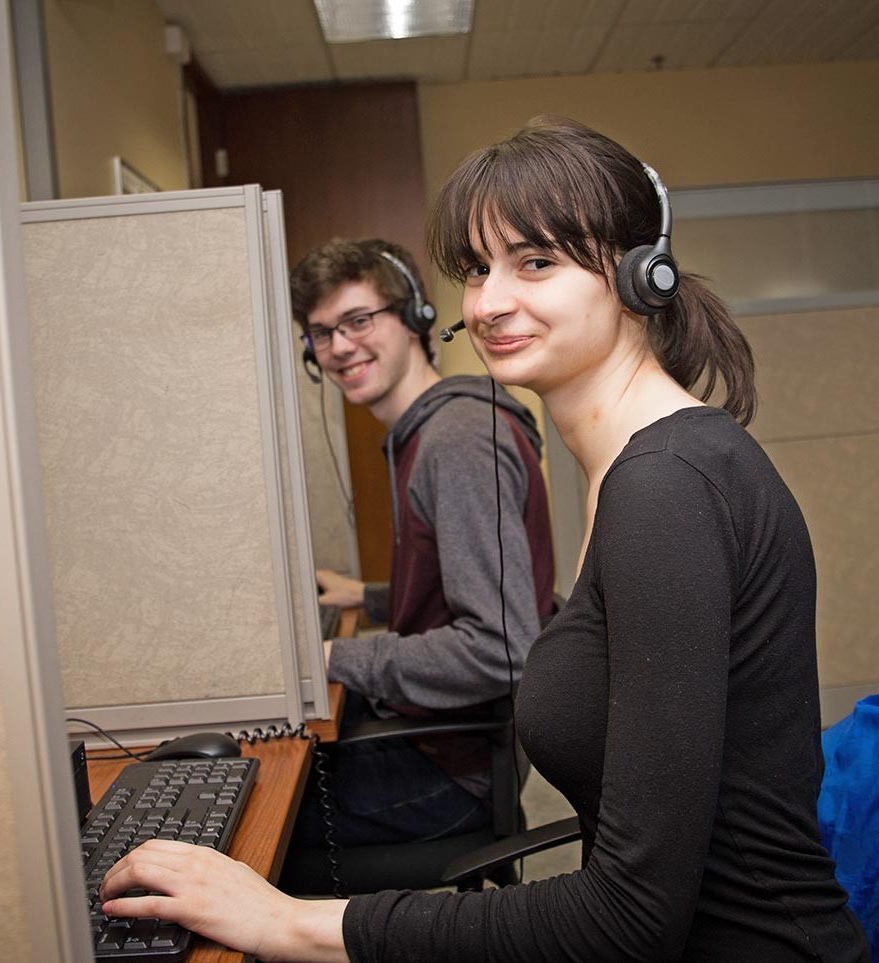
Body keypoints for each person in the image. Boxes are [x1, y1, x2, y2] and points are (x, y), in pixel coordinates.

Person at [100, 118, 869, 961]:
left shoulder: (666, 486)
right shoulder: (636, 472)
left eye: (534, 262)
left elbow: (630, 918)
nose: (488, 302)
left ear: (636, 274)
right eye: (475, 268)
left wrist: (288, 920)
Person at [286, 237, 555, 852]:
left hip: (450, 773)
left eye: (358, 320)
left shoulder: (455, 442)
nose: (340, 347)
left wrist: (332, 657)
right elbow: (465, 583)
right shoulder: (432, 430)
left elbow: (499, 649)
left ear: (414, 318)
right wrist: (369, 598)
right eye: (322, 333)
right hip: (450, 744)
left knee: (251, 827)